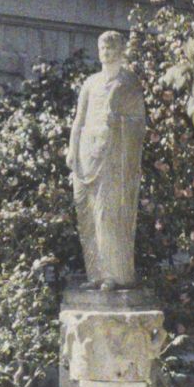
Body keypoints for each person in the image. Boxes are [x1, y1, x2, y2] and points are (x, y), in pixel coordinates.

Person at [67, 29, 145, 290]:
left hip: (113, 157)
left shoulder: (128, 83)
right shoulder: (90, 83)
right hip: (86, 155)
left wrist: (120, 122)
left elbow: (139, 123)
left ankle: (115, 274)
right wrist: (71, 148)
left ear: (121, 51)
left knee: (107, 214)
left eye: (111, 48)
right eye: (102, 48)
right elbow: (79, 119)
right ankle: (96, 274)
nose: (106, 52)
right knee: (86, 213)